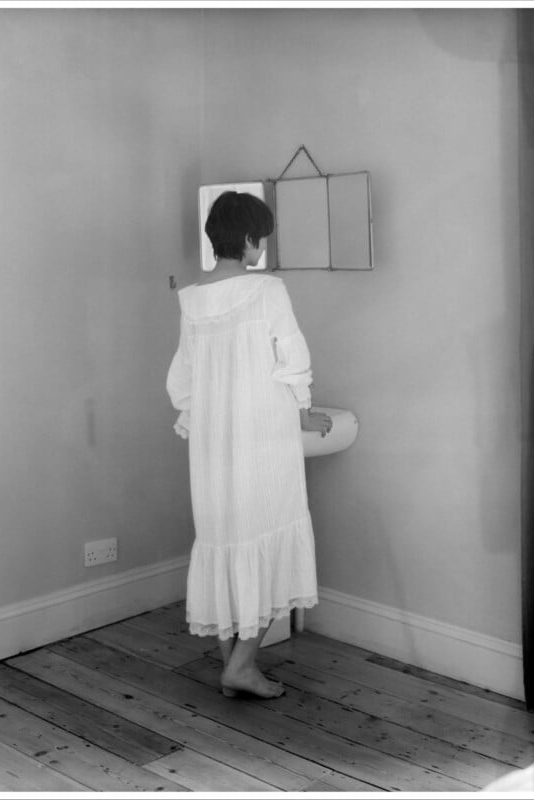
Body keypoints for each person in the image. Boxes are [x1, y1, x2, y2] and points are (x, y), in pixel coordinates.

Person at [166, 191, 332, 699]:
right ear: (249, 239)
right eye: (261, 239)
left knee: (222, 542)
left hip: (214, 441)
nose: (263, 249)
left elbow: (186, 375)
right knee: (270, 532)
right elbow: (291, 352)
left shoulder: (191, 298)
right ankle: (241, 666)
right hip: (262, 433)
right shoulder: (267, 290)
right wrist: (304, 405)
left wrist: (196, 422)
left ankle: (234, 665)